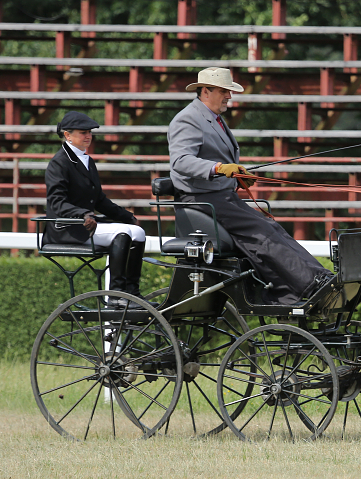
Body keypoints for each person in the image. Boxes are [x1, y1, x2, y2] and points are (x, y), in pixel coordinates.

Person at [167, 67, 333, 305]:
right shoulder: (188, 119)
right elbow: (181, 161)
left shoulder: (213, 118)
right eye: (224, 91)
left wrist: (235, 175)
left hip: (220, 196)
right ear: (206, 91)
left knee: (270, 226)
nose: (229, 96)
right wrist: (219, 168)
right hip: (202, 200)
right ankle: (306, 285)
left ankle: (318, 278)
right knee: (260, 230)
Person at [45, 111, 146, 307]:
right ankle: (116, 294)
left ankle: (132, 291)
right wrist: (82, 213)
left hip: (87, 224)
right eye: (83, 132)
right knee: (123, 233)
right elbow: (56, 202)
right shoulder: (58, 163)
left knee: (138, 232)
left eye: (89, 132)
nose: (88, 136)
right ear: (67, 135)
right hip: (67, 227)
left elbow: (99, 200)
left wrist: (127, 216)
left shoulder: (87, 161)